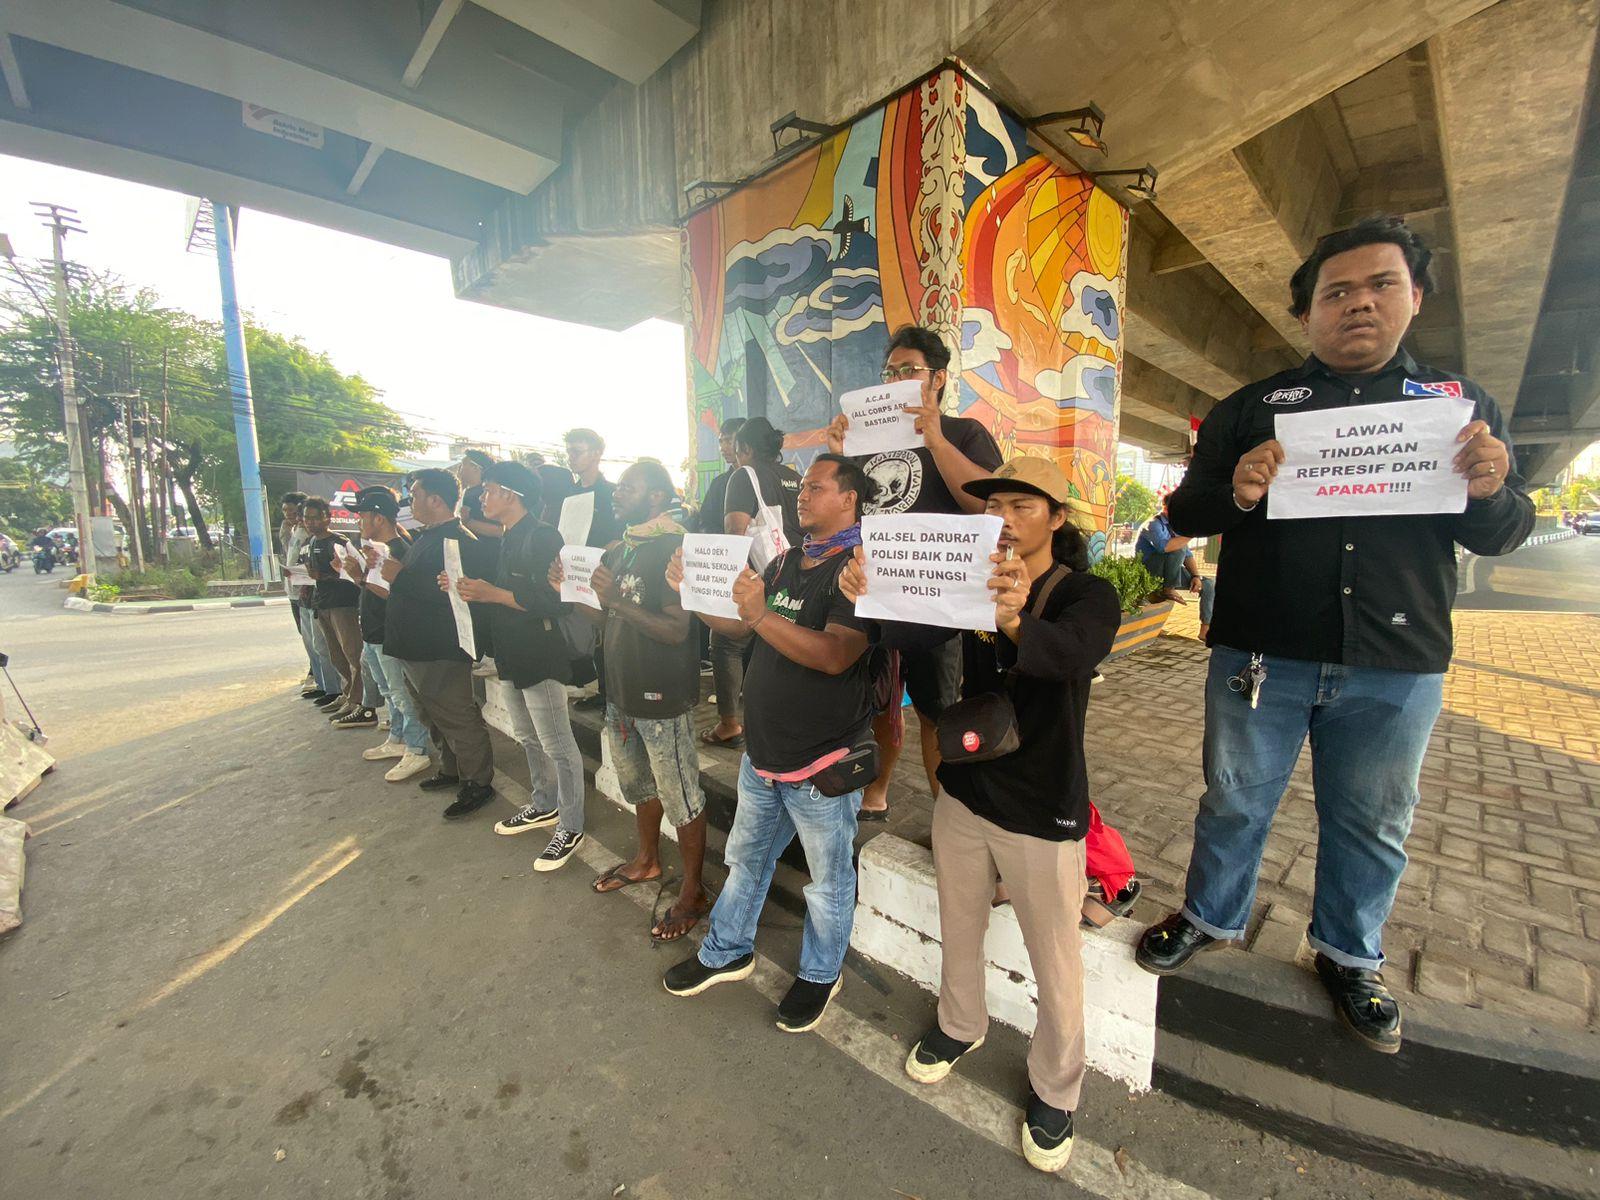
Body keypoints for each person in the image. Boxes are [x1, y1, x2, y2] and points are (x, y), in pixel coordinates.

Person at [1134, 216, 1535, 1054]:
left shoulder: (1457, 410)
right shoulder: (1253, 409)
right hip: (1259, 656)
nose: (1359, 304)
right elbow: (1183, 511)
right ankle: (1211, 915)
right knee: (1234, 798)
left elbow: (1500, 533)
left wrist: (1492, 490)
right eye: (1337, 291)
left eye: (1381, 285)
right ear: (1309, 313)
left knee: (1374, 818)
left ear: (1415, 299)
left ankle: (1349, 955)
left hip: (1396, 664)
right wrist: (1238, 492)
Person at [840, 456, 1120, 1172]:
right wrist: (869, 595)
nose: (1003, 517)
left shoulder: (1087, 593)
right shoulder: (970, 571)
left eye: (1022, 505)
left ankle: (1057, 1087)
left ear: (1057, 517)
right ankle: (959, 1023)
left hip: (1041, 808)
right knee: (958, 922)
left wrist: (1015, 618)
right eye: (994, 504)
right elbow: (913, 638)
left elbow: (1070, 659)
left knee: (1054, 955)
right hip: (964, 791)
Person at [663, 454, 876, 1034]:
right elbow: (740, 624)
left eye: (815, 487)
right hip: (763, 757)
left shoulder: (861, 570)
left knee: (828, 883)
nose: (801, 495)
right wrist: (696, 594)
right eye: (802, 487)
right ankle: (727, 949)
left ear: (850, 499)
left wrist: (757, 618)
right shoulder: (786, 561)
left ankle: (821, 973)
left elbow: (836, 655)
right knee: (745, 861)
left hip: (821, 763)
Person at [826, 324, 1004, 820]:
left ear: (938, 379)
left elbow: (986, 506)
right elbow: (851, 515)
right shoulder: (868, 443)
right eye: (891, 371)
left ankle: (949, 823)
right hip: (875, 595)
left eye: (910, 370)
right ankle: (876, 792)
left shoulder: (966, 433)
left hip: (939, 602)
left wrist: (936, 437)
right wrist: (841, 457)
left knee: (938, 714)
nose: (897, 378)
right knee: (877, 705)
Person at [548, 463, 709, 931]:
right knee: (639, 786)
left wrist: (615, 599)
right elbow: (606, 620)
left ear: (657, 497)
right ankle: (647, 860)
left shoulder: (673, 548)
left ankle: (694, 890)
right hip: (620, 694)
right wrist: (568, 592)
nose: (617, 494)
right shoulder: (623, 547)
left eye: (629, 488)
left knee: (683, 797)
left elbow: (677, 630)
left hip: (662, 699)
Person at [446, 462, 586, 870]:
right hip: (510, 652)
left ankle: (571, 825)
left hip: (538, 653)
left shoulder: (542, 536)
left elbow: (556, 601)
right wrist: (472, 590)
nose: (482, 497)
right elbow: (502, 592)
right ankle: (543, 804)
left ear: (511, 494)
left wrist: (495, 594)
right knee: (527, 735)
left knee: (559, 745)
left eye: (488, 490)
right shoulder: (509, 535)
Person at [380, 468, 500, 819]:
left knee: (457, 716)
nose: (410, 500)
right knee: (431, 712)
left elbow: (457, 597)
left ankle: (478, 782)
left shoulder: (457, 540)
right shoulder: (428, 536)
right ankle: (451, 769)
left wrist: (401, 577)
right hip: (414, 647)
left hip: (439, 648)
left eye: (415, 494)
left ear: (435, 499)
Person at [700, 416, 801, 749]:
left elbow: (734, 536)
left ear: (744, 448)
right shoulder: (795, 477)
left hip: (763, 577)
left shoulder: (743, 475)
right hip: (798, 577)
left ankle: (730, 724)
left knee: (726, 641)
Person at [338, 487, 434, 782]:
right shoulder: (377, 550)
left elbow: (397, 595)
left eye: (363, 516)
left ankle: (416, 749)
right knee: (389, 691)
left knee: (402, 695)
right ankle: (397, 737)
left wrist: (362, 575)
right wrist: (357, 574)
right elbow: (374, 589)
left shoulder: (397, 550)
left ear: (378, 518)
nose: (359, 523)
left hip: (388, 633)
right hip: (373, 631)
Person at [299, 498, 371, 725]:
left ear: (326, 518)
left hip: (343, 605)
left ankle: (361, 701)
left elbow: (354, 575)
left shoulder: (339, 542)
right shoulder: (310, 542)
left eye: (314, 517)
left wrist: (325, 577)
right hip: (322, 604)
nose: (309, 522)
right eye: (306, 518)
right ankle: (348, 695)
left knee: (353, 654)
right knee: (335, 656)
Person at [1136, 497, 1215, 640]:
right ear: (1165, 508)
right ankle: (1168, 588)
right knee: (1177, 548)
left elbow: (1188, 555)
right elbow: (1165, 547)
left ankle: (1205, 629)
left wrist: (1196, 576)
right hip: (1150, 570)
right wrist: (1191, 535)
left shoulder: (1177, 528)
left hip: (1170, 570)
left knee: (1208, 584)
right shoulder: (1153, 524)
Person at [278, 491, 318, 693]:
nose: (289, 514)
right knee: (305, 634)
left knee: (315, 637)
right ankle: (317, 673)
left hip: (307, 590)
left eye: (293, 511)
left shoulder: (311, 535)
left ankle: (317, 674)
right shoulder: (293, 531)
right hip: (293, 590)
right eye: (285, 510)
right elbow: (289, 555)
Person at [457, 450, 502, 541]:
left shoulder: (488, 495)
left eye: (463, 465)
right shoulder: (466, 492)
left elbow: (500, 530)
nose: (459, 469)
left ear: (475, 468)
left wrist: (467, 522)